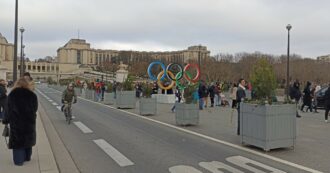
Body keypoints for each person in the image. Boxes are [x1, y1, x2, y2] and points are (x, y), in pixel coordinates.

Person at [2, 78, 38, 166]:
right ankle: (27, 157)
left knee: (17, 141)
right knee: (28, 139)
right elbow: (35, 109)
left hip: (16, 122)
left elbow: (8, 110)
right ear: (27, 84)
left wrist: (5, 120)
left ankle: (19, 161)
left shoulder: (12, 95)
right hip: (29, 121)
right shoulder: (32, 95)